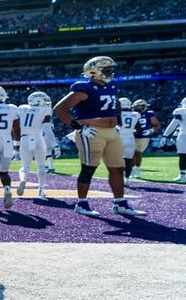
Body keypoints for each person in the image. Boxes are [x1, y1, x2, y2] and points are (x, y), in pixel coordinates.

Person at [53, 56, 146, 217]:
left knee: (118, 168)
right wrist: (78, 128)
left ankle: (120, 203)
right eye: (107, 69)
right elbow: (59, 109)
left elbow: (115, 102)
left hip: (112, 132)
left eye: (111, 69)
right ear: (94, 71)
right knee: (88, 169)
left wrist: (115, 119)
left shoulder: (113, 85)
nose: (110, 72)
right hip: (91, 132)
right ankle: (81, 203)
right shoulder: (83, 88)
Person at [15, 92, 54, 198]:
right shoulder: (46, 110)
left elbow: (16, 126)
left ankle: (23, 180)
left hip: (24, 138)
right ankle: (41, 189)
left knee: (25, 167)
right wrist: (55, 145)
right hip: (38, 138)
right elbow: (47, 129)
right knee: (41, 165)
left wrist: (16, 144)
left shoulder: (22, 108)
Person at [131, 99, 160, 179]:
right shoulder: (131, 114)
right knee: (130, 154)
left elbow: (157, 125)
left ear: (144, 107)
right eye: (137, 106)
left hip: (143, 136)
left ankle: (137, 170)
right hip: (131, 136)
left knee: (137, 152)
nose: (138, 107)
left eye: (140, 106)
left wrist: (151, 131)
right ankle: (132, 170)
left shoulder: (149, 114)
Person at [117, 97, 141, 186]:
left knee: (116, 160)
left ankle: (119, 178)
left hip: (118, 137)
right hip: (130, 138)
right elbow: (139, 129)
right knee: (128, 160)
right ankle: (126, 179)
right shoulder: (135, 114)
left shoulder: (117, 114)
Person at [162, 97, 186, 183]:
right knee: (182, 156)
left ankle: (183, 176)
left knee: (183, 156)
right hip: (183, 135)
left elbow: (173, 124)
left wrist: (165, 135)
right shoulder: (180, 111)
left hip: (183, 136)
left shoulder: (180, 111)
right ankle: (182, 175)